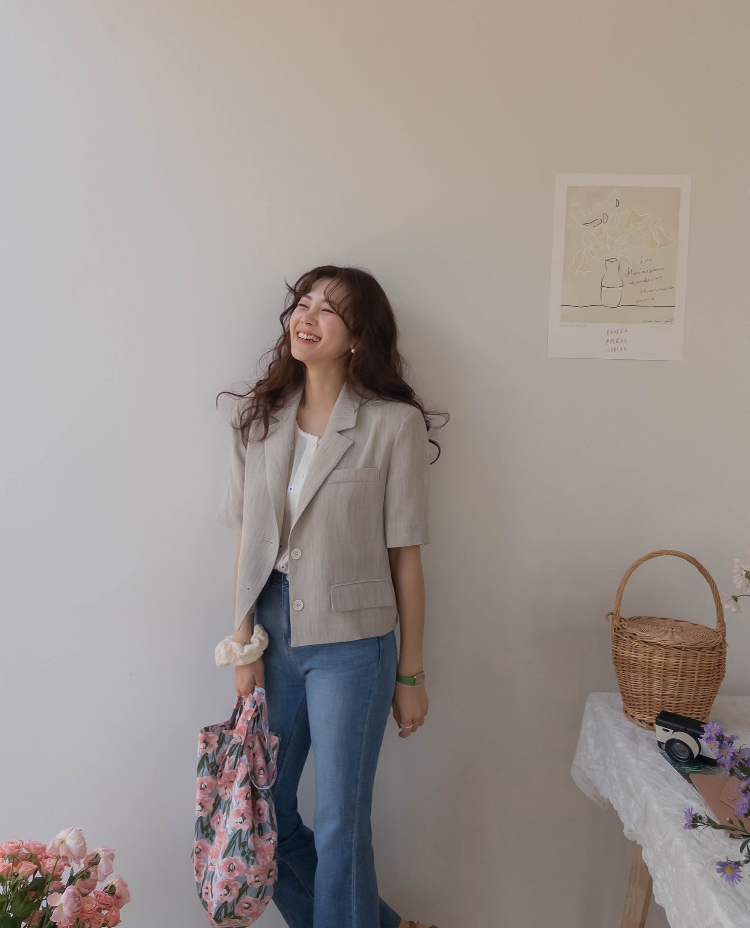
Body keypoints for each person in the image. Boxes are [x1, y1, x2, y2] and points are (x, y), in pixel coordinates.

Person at [214, 265, 445, 928]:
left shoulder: (392, 425)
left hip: (354, 646)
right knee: (264, 809)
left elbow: (405, 559)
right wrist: (242, 644)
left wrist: (410, 672)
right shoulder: (258, 422)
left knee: (343, 820)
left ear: (358, 337)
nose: (307, 316)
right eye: (303, 302)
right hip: (272, 633)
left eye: (329, 310)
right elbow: (249, 545)